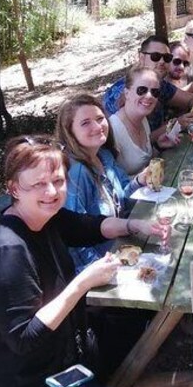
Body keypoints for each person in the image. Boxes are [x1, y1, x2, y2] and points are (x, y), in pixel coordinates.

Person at [0, 135, 167, 387]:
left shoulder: (45, 217)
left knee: (135, 321)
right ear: (14, 188)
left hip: (62, 356)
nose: (51, 192)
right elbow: (24, 339)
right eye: (38, 184)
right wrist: (82, 283)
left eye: (58, 181)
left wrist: (136, 224)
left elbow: (88, 227)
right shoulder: (9, 253)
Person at [56, 94, 145, 273]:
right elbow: (77, 240)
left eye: (99, 118)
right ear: (69, 131)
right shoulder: (77, 173)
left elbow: (122, 200)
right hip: (104, 267)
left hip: (125, 248)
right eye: (85, 123)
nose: (97, 127)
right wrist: (104, 274)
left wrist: (139, 181)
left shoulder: (104, 155)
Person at [102, 35, 193, 134]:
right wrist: (176, 124)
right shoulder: (126, 92)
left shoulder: (160, 84)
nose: (162, 61)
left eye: (167, 58)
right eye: (155, 56)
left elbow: (192, 99)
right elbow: (136, 144)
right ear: (141, 58)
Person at [109, 66, 180, 177]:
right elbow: (113, 185)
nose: (149, 96)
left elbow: (143, 163)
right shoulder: (113, 130)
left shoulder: (143, 119)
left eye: (155, 92)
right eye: (142, 90)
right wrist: (141, 179)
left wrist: (158, 147)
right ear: (127, 93)